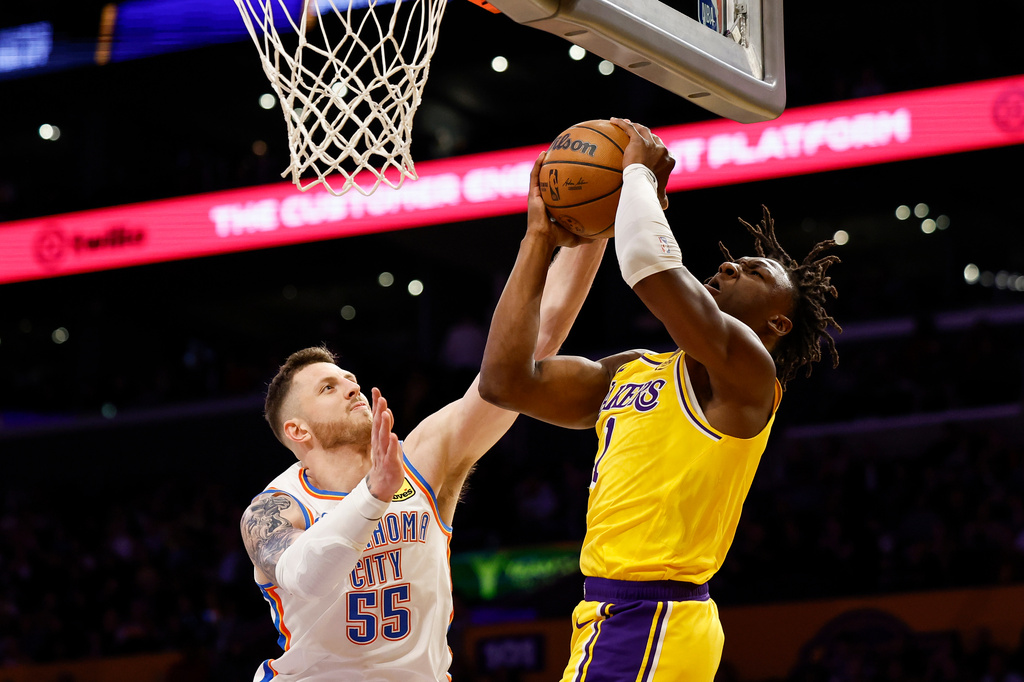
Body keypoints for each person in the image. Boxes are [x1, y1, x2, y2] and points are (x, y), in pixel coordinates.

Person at [478, 118, 842, 682]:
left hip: (655, 614)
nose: (727, 265)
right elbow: (505, 382)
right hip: (609, 612)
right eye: (734, 261)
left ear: (777, 321)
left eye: (752, 271)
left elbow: (650, 268)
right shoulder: (629, 371)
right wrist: (537, 240)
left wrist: (638, 179)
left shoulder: (749, 375)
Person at [239, 171, 608, 682]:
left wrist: (595, 229)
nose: (349, 386)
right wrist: (373, 496)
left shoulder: (425, 460)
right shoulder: (274, 508)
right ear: (298, 431)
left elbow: (526, 354)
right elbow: (306, 578)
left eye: (347, 377)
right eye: (328, 388)